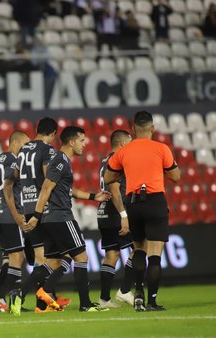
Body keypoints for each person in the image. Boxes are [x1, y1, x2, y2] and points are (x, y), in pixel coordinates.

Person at [24, 126, 111, 312]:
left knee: (53, 262)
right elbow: (46, 187)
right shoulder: (60, 161)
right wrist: (36, 216)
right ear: (71, 142)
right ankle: (84, 304)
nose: (84, 144)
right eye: (81, 140)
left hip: (51, 218)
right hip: (60, 216)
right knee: (81, 257)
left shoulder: (62, 161)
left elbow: (66, 190)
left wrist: (93, 197)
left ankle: (39, 302)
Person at [104, 111, 181, 312]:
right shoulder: (162, 148)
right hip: (155, 201)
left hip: (134, 202)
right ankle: (152, 301)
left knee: (138, 250)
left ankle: (138, 294)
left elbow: (108, 177)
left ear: (133, 129)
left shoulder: (124, 151)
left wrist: (126, 171)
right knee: (155, 255)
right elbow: (176, 176)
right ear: (152, 129)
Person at [15, 117, 71, 312]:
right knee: (56, 258)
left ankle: (42, 303)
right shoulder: (48, 150)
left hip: (27, 206)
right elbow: (49, 179)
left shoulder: (23, 150)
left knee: (42, 259)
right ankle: (22, 295)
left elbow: (14, 178)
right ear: (54, 134)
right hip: (43, 208)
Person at [0, 130, 31, 315]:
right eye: (26, 144)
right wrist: (18, 215)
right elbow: (7, 188)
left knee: (12, 258)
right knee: (17, 258)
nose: (27, 148)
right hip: (11, 215)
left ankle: (8, 298)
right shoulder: (15, 161)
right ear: (16, 142)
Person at [96, 130, 135, 308]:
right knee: (141, 249)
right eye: (130, 141)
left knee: (111, 254)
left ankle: (104, 299)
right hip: (115, 212)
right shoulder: (118, 160)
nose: (132, 144)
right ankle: (125, 290)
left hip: (103, 212)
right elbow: (114, 190)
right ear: (122, 144)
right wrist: (124, 215)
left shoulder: (105, 160)